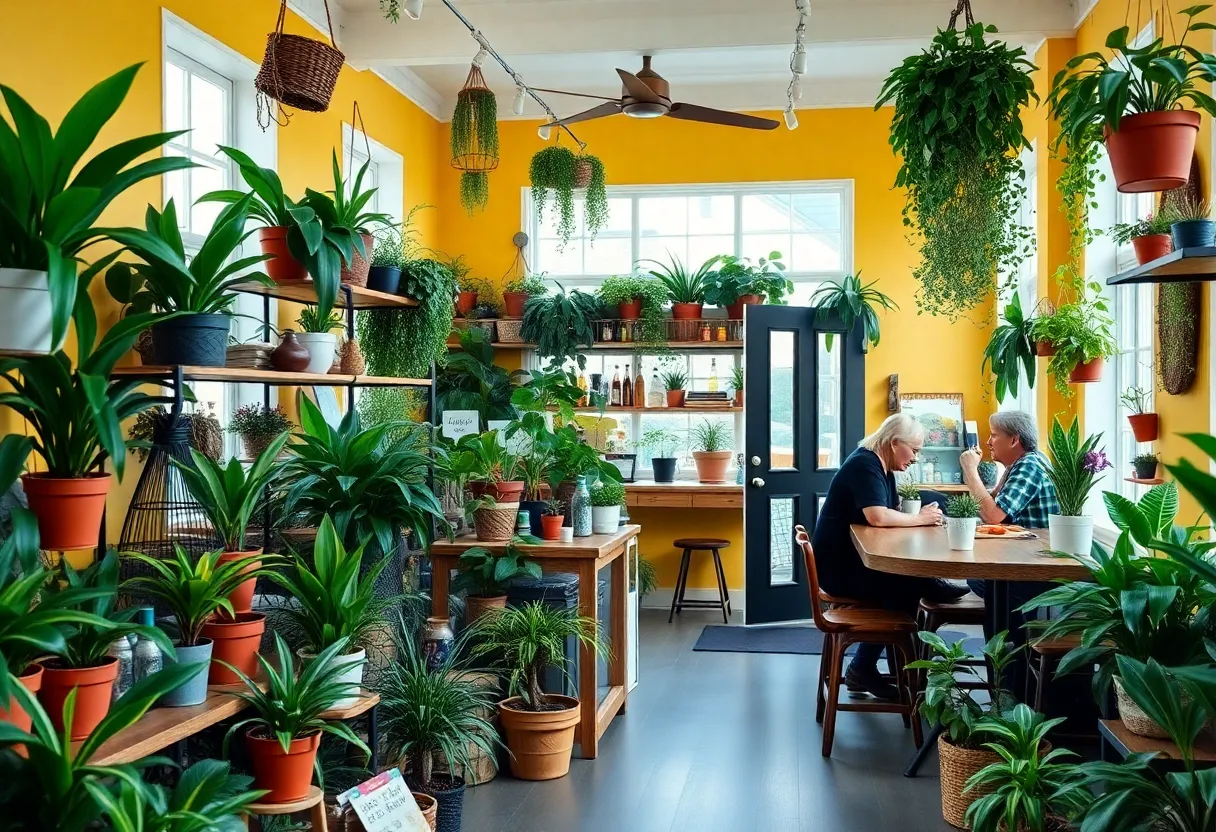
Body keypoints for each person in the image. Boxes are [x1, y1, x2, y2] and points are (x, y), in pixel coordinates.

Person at [811, 413, 968, 699]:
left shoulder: (880, 466)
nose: (916, 458)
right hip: (839, 572)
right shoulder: (865, 464)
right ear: (895, 443)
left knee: (909, 586)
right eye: (915, 450)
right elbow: (878, 517)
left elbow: (887, 509)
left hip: (848, 563)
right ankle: (867, 668)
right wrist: (921, 519)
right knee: (909, 586)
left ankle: (892, 667)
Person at [958, 410, 1060, 691]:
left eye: (993, 435)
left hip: (1033, 571)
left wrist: (969, 471)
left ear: (1014, 439)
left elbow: (993, 516)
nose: (988, 442)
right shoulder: (1020, 466)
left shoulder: (1030, 465)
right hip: (1021, 562)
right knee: (984, 583)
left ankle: (1005, 686)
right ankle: (1003, 683)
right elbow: (992, 508)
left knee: (986, 584)